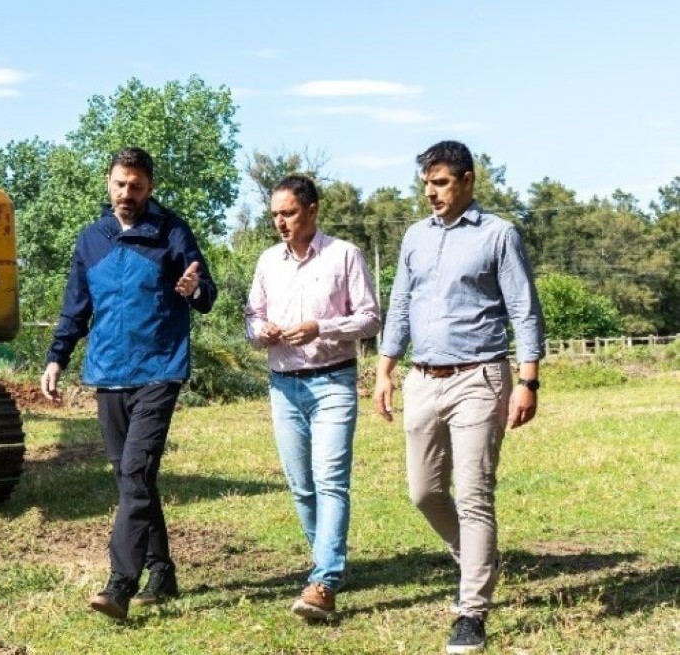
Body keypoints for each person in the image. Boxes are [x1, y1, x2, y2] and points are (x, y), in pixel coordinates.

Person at [374, 141, 545, 654]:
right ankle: (476, 558)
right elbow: (400, 304)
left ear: (469, 181)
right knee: (423, 492)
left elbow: (524, 310)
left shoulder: (498, 235)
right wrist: (384, 370)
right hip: (422, 379)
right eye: (427, 183)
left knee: (474, 494)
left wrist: (528, 380)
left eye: (442, 182)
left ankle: (471, 612)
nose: (432, 192)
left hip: (480, 378)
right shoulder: (414, 238)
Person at [40, 146, 216, 621]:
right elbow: (76, 306)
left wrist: (193, 289)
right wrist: (57, 357)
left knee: (135, 474)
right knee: (132, 480)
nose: (127, 193)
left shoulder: (171, 232)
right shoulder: (91, 239)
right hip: (109, 372)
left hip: (160, 367)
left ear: (150, 187)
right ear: (108, 182)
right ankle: (163, 571)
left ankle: (120, 582)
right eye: (120, 184)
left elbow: (206, 292)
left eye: (137, 186)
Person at [245, 174, 381, 620]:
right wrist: (259, 332)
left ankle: (323, 580)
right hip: (283, 385)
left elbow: (369, 319)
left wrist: (320, 326)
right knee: (301, 486)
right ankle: (328, 562)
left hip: (333, 382)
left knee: (330, 481)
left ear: (312, 210)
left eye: (287, 213)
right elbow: (253, 316)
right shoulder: (268, 262)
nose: (280, 222)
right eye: (274, 215)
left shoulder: (344, 255)